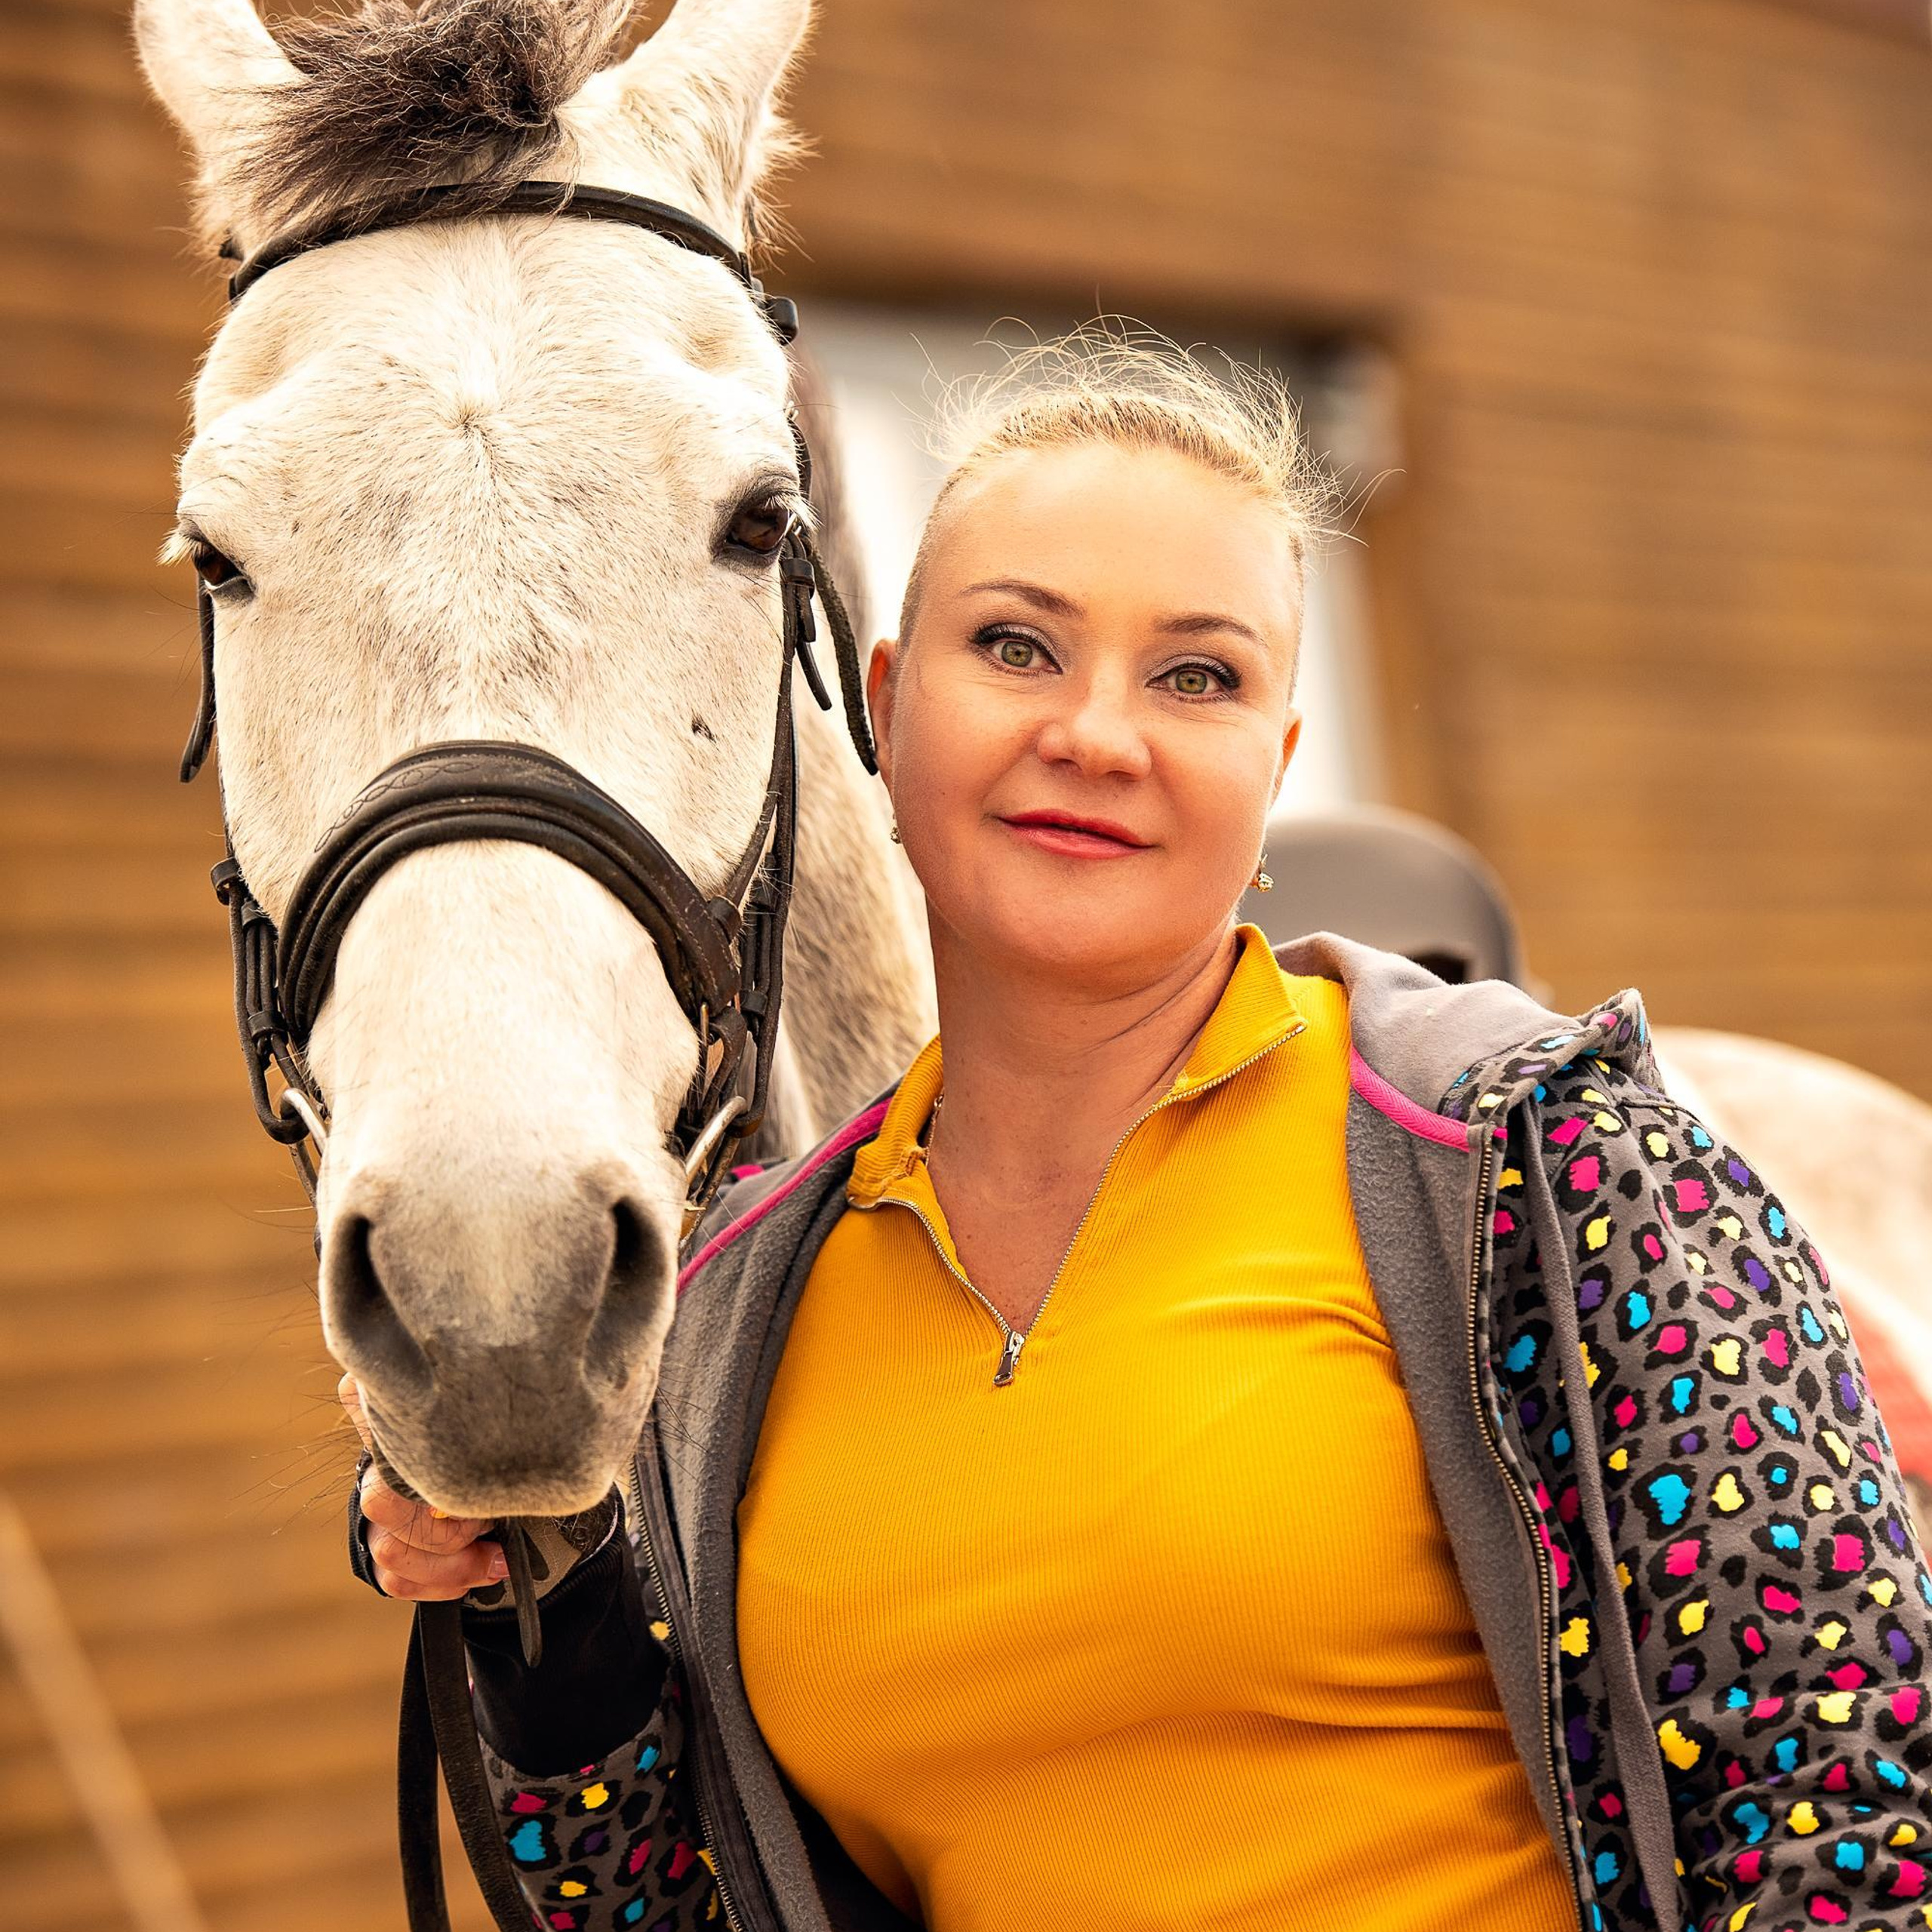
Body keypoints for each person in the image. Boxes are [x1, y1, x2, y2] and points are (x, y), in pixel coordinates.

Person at [343, 326, 1932, 1932]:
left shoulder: (1538, 1158)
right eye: (1017, 647)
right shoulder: (734, 1308)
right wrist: (547, 1618)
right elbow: (672, 1903)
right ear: (885, 709)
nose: (1097, 734)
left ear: (1272, 770)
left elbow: (1840, 1820)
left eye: (1197, 675)